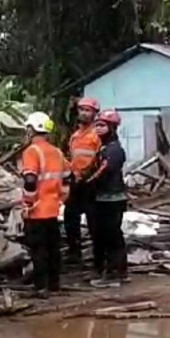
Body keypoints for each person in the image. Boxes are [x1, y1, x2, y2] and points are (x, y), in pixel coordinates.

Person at [21, 112, 71, 298]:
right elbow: (67, 178)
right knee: (53, 249)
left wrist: (28, 203)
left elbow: (30, 180)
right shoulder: (57, 152)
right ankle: (54, 285)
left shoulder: (31, 151)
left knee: (38, 250)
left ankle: (41, 287)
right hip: (53, 209)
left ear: (31, 129)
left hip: (37, 212)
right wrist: (62, 199)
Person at [88, 109, 128, 288]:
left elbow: (103, 171)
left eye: (102, 125)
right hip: (103, 198)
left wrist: (85, 183)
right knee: (103, 236)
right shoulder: (103, 148)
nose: (98, 129)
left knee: (111, 236)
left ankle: (115, 273)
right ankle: (113, 271)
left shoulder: (114, 150)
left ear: (112, 128)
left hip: (112, 199)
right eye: (97, 125)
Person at [64, 96, 101, 268]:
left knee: (94, 220)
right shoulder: (75, 136)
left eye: (88, 111)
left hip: (91, 182)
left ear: (94, 114)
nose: (84, 114)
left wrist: (88, 175)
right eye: (82, 110)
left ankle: (98, 256)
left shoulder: (97, 136)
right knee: (70, 218)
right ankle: (74, 252)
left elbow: (100, 160)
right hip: (75, 182)